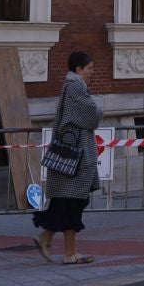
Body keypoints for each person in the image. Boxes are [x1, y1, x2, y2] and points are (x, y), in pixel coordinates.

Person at [34, 51, 100, 264]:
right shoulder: (74, 87)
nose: (92, 72)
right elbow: (92, 115)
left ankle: (55, 243)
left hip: (72, 156)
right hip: (74, 157)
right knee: (71, 203)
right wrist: (98, 110)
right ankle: (66, 251)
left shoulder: (73, 87)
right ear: (79, 69)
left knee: (69, 203)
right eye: (89, 68)